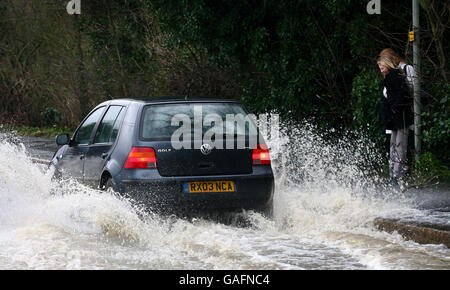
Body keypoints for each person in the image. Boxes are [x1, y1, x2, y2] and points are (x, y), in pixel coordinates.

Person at [377, 55, 414, 186]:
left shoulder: (396, 75)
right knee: (394, 145)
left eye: (382, 67)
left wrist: (394, 107)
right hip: (394, 116)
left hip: (401, 115)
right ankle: (393, 174)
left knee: (399, 145)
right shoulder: (390, 77)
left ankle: (397, 175)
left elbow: (402, 94)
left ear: (387, 65)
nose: (380, 70)